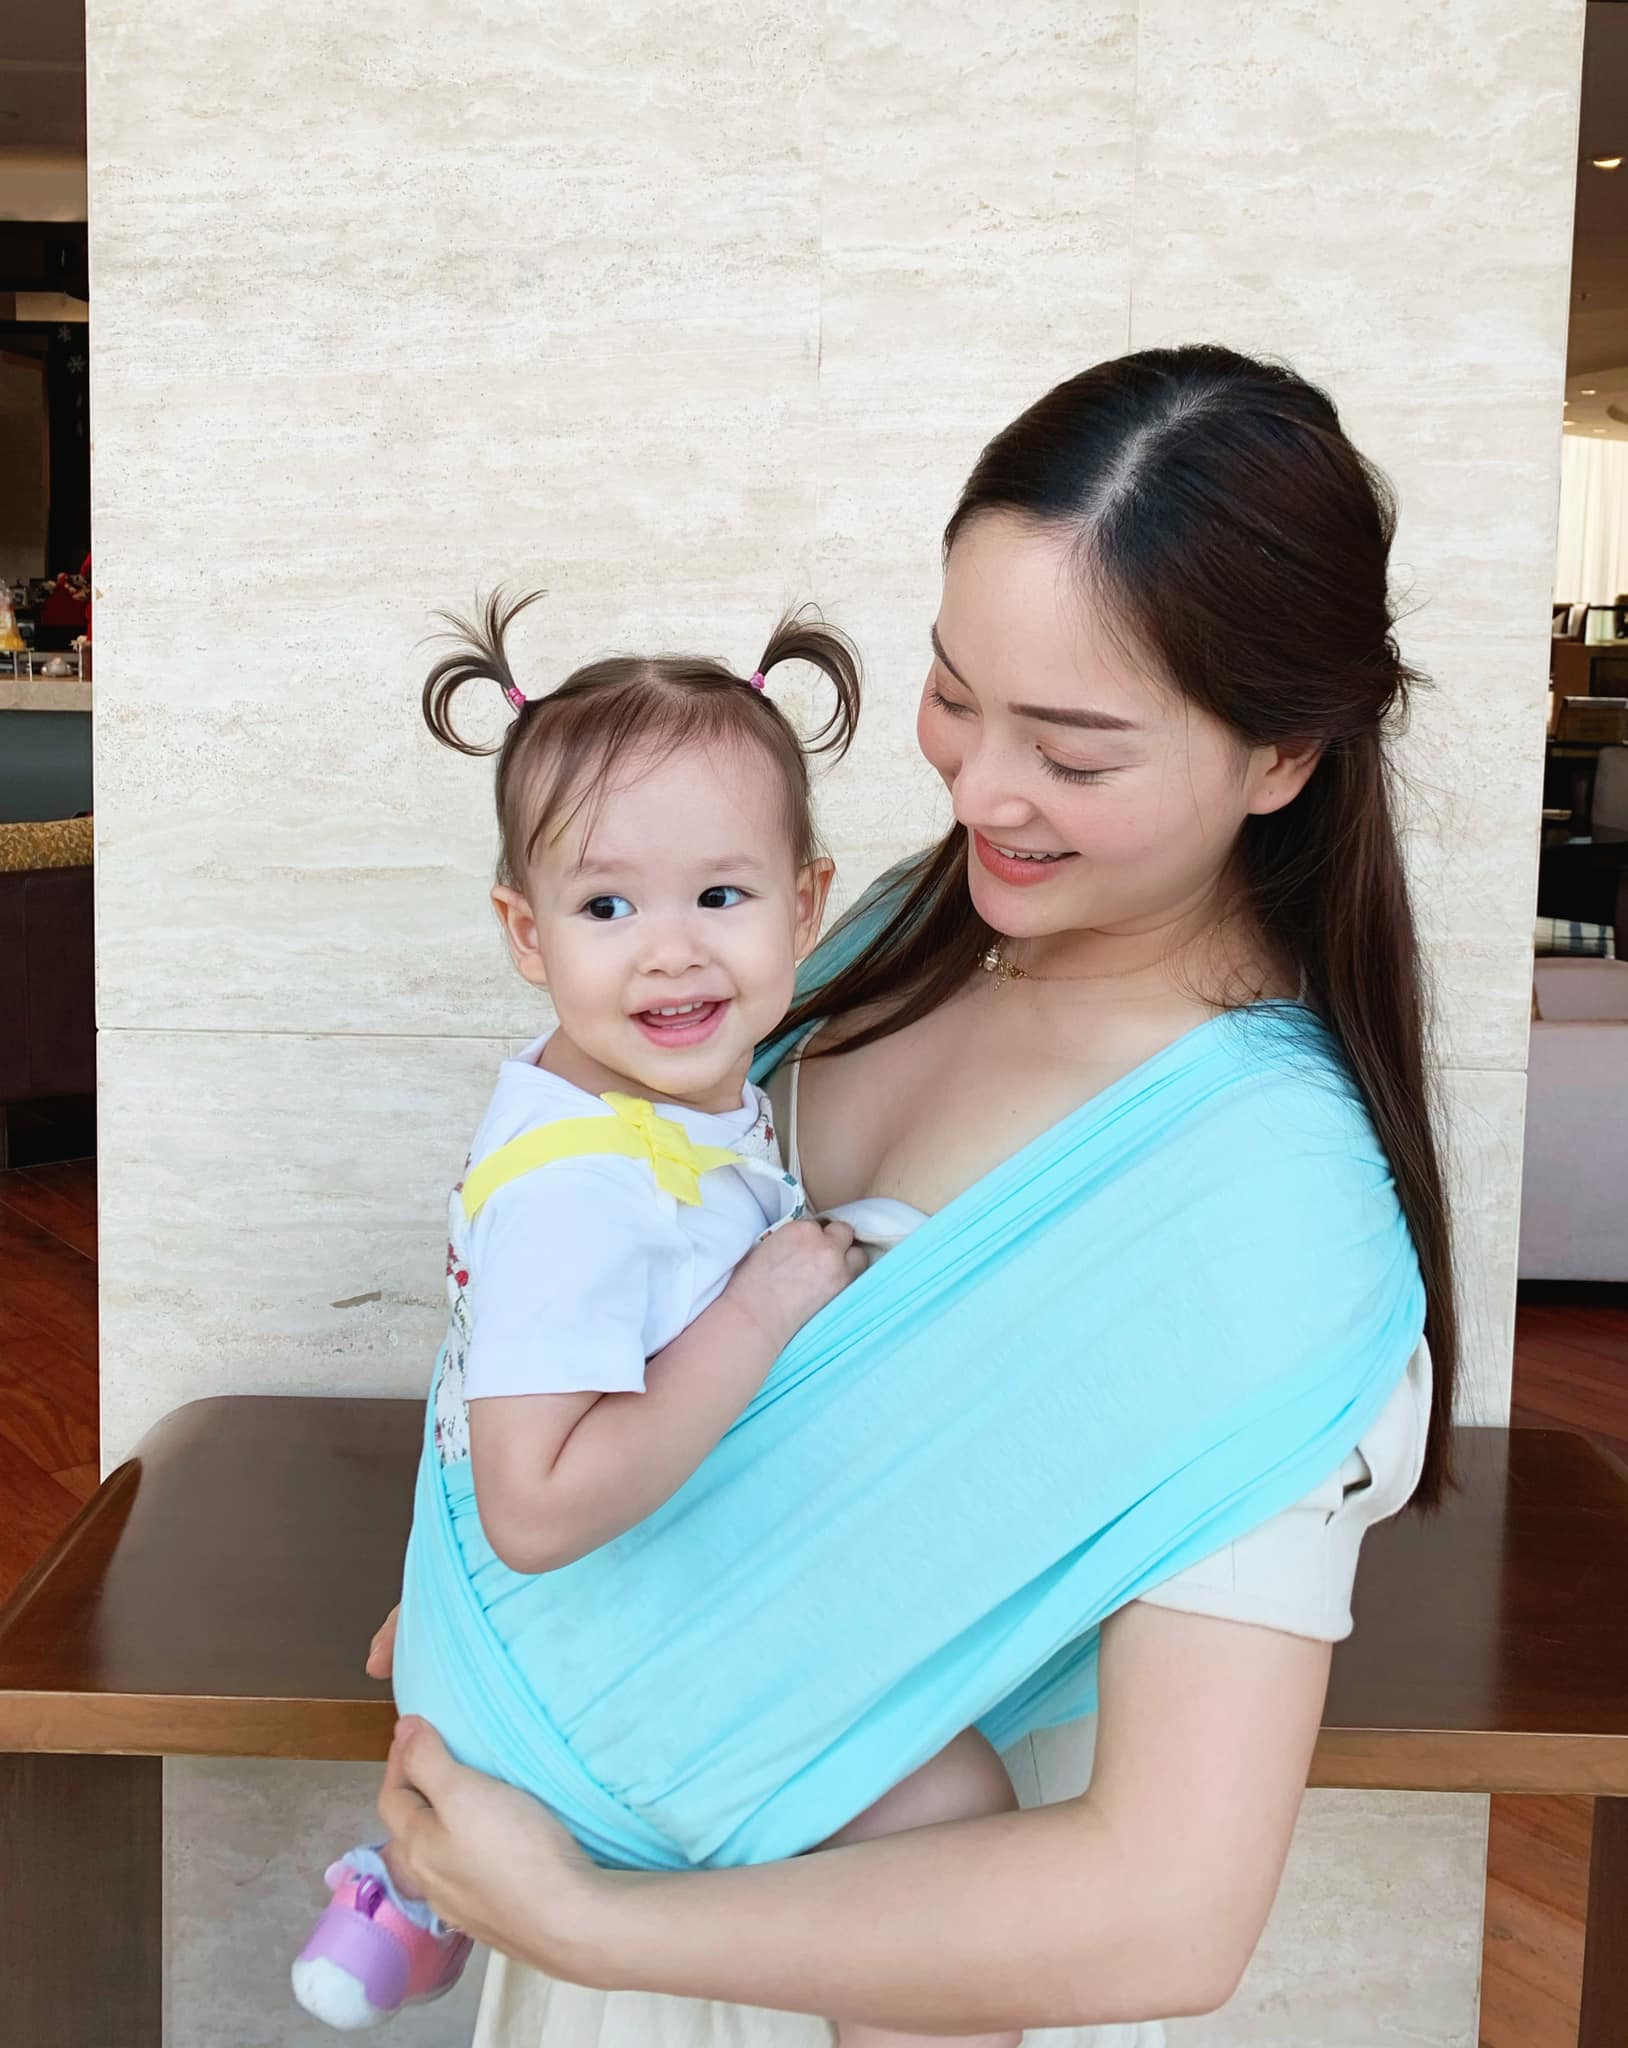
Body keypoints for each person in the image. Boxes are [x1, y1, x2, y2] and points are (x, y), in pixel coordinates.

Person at [373, 344, 1454, 2048]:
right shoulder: (877, 935)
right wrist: (501, 1619)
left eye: (1073, 753)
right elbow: (598, 1297)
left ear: (1281, 756)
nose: (979, 789)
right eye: (957, 694)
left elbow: (1167, 1909)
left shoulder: (1263, 1213)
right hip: (583, 1888)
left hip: (871, 1969)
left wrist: (591, 1919)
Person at [293, 602, 1020, 2043]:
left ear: (806, 906)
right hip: (567, 1660)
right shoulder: (583, 1188)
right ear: (526, 932)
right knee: (955, 1815)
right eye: (607, 908)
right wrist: (761, 1306)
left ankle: (416, 1891)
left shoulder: (644, 1110)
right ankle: (449, 1864)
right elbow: (537, 1505)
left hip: (530, 1626)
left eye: (721, 896)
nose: (671, 954)